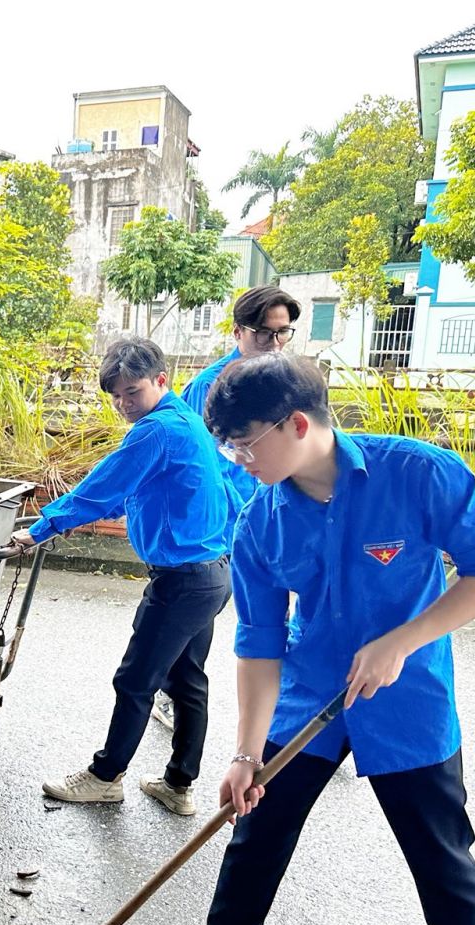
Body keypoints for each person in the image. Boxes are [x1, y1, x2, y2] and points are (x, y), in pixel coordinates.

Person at [153, 353, 475, 925]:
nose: (236, 459)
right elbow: (259, 642)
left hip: (407, 699)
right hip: (307, 700)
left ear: (297, 424)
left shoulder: (418, 473)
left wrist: (403, 640)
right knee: (256, 832)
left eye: (243, 443)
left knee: (442, 856)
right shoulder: (261, 520)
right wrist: (244, 753)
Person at [8, 335, 230, 816]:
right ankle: (179, 784)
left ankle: (106, 776)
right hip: (211, 573)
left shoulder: (155, 431)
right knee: (187, 680)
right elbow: (121, 494)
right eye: (117, 396)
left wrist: (41, 529)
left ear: (160, 381)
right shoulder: (187, 422)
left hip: (182, 579)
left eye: (134, 392)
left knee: (136, 680)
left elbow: (100, 487)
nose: (125, 404)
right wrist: (69, 521)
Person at [154, 286, 303, 733]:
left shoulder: (287, 383)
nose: (274, 344)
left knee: (283, 619)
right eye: (264, 334)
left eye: (283, 333)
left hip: (275, 517)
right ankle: (171, 692)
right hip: (224, 524)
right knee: (199, 616)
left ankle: (295, 714)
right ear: (238, 331)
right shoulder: (209, 387)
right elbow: (197, 461)